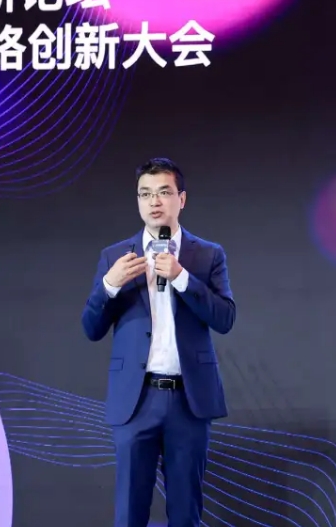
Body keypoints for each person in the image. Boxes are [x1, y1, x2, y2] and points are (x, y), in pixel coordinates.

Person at [80, 157, 236, 527]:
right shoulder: (115, 256)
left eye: (164, 192)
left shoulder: (208, 255)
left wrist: (182, 278)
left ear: (181, 199)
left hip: (189, 400)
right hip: (136, 401)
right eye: (145, 194)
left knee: (185, 513)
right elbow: (91, 328)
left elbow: (225, 318)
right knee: (130, 512)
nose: (154, 201)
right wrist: (109, 285)